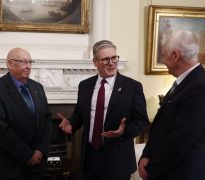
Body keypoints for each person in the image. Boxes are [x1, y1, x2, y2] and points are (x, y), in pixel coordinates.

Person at [58, 40, 149, 180]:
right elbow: (79, 115)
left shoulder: (133, 87)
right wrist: (71, 124)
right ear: (95, 62)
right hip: (90, 157)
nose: (111, 63)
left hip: (117, 160)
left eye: (114, 58)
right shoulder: (85, 86)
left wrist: (124, 132)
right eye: (106, 59)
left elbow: (142, 121)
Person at [138, 30, 205, 180]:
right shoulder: (186, 82)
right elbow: (162, 127)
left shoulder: (200, 89)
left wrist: (151, 169)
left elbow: (180, 142)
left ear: (175, 56)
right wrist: (147, 154)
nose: (162, 60)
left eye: (163, 54)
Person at [0, 48, 52, 180]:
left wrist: (40, 150)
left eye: (30, 62)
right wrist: (27, 155)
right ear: (10, 64)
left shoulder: (37, 87)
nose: (28, 66)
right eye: (23, 62)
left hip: (37, 166)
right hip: (11, 167)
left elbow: (47, 119)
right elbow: (0, 128)